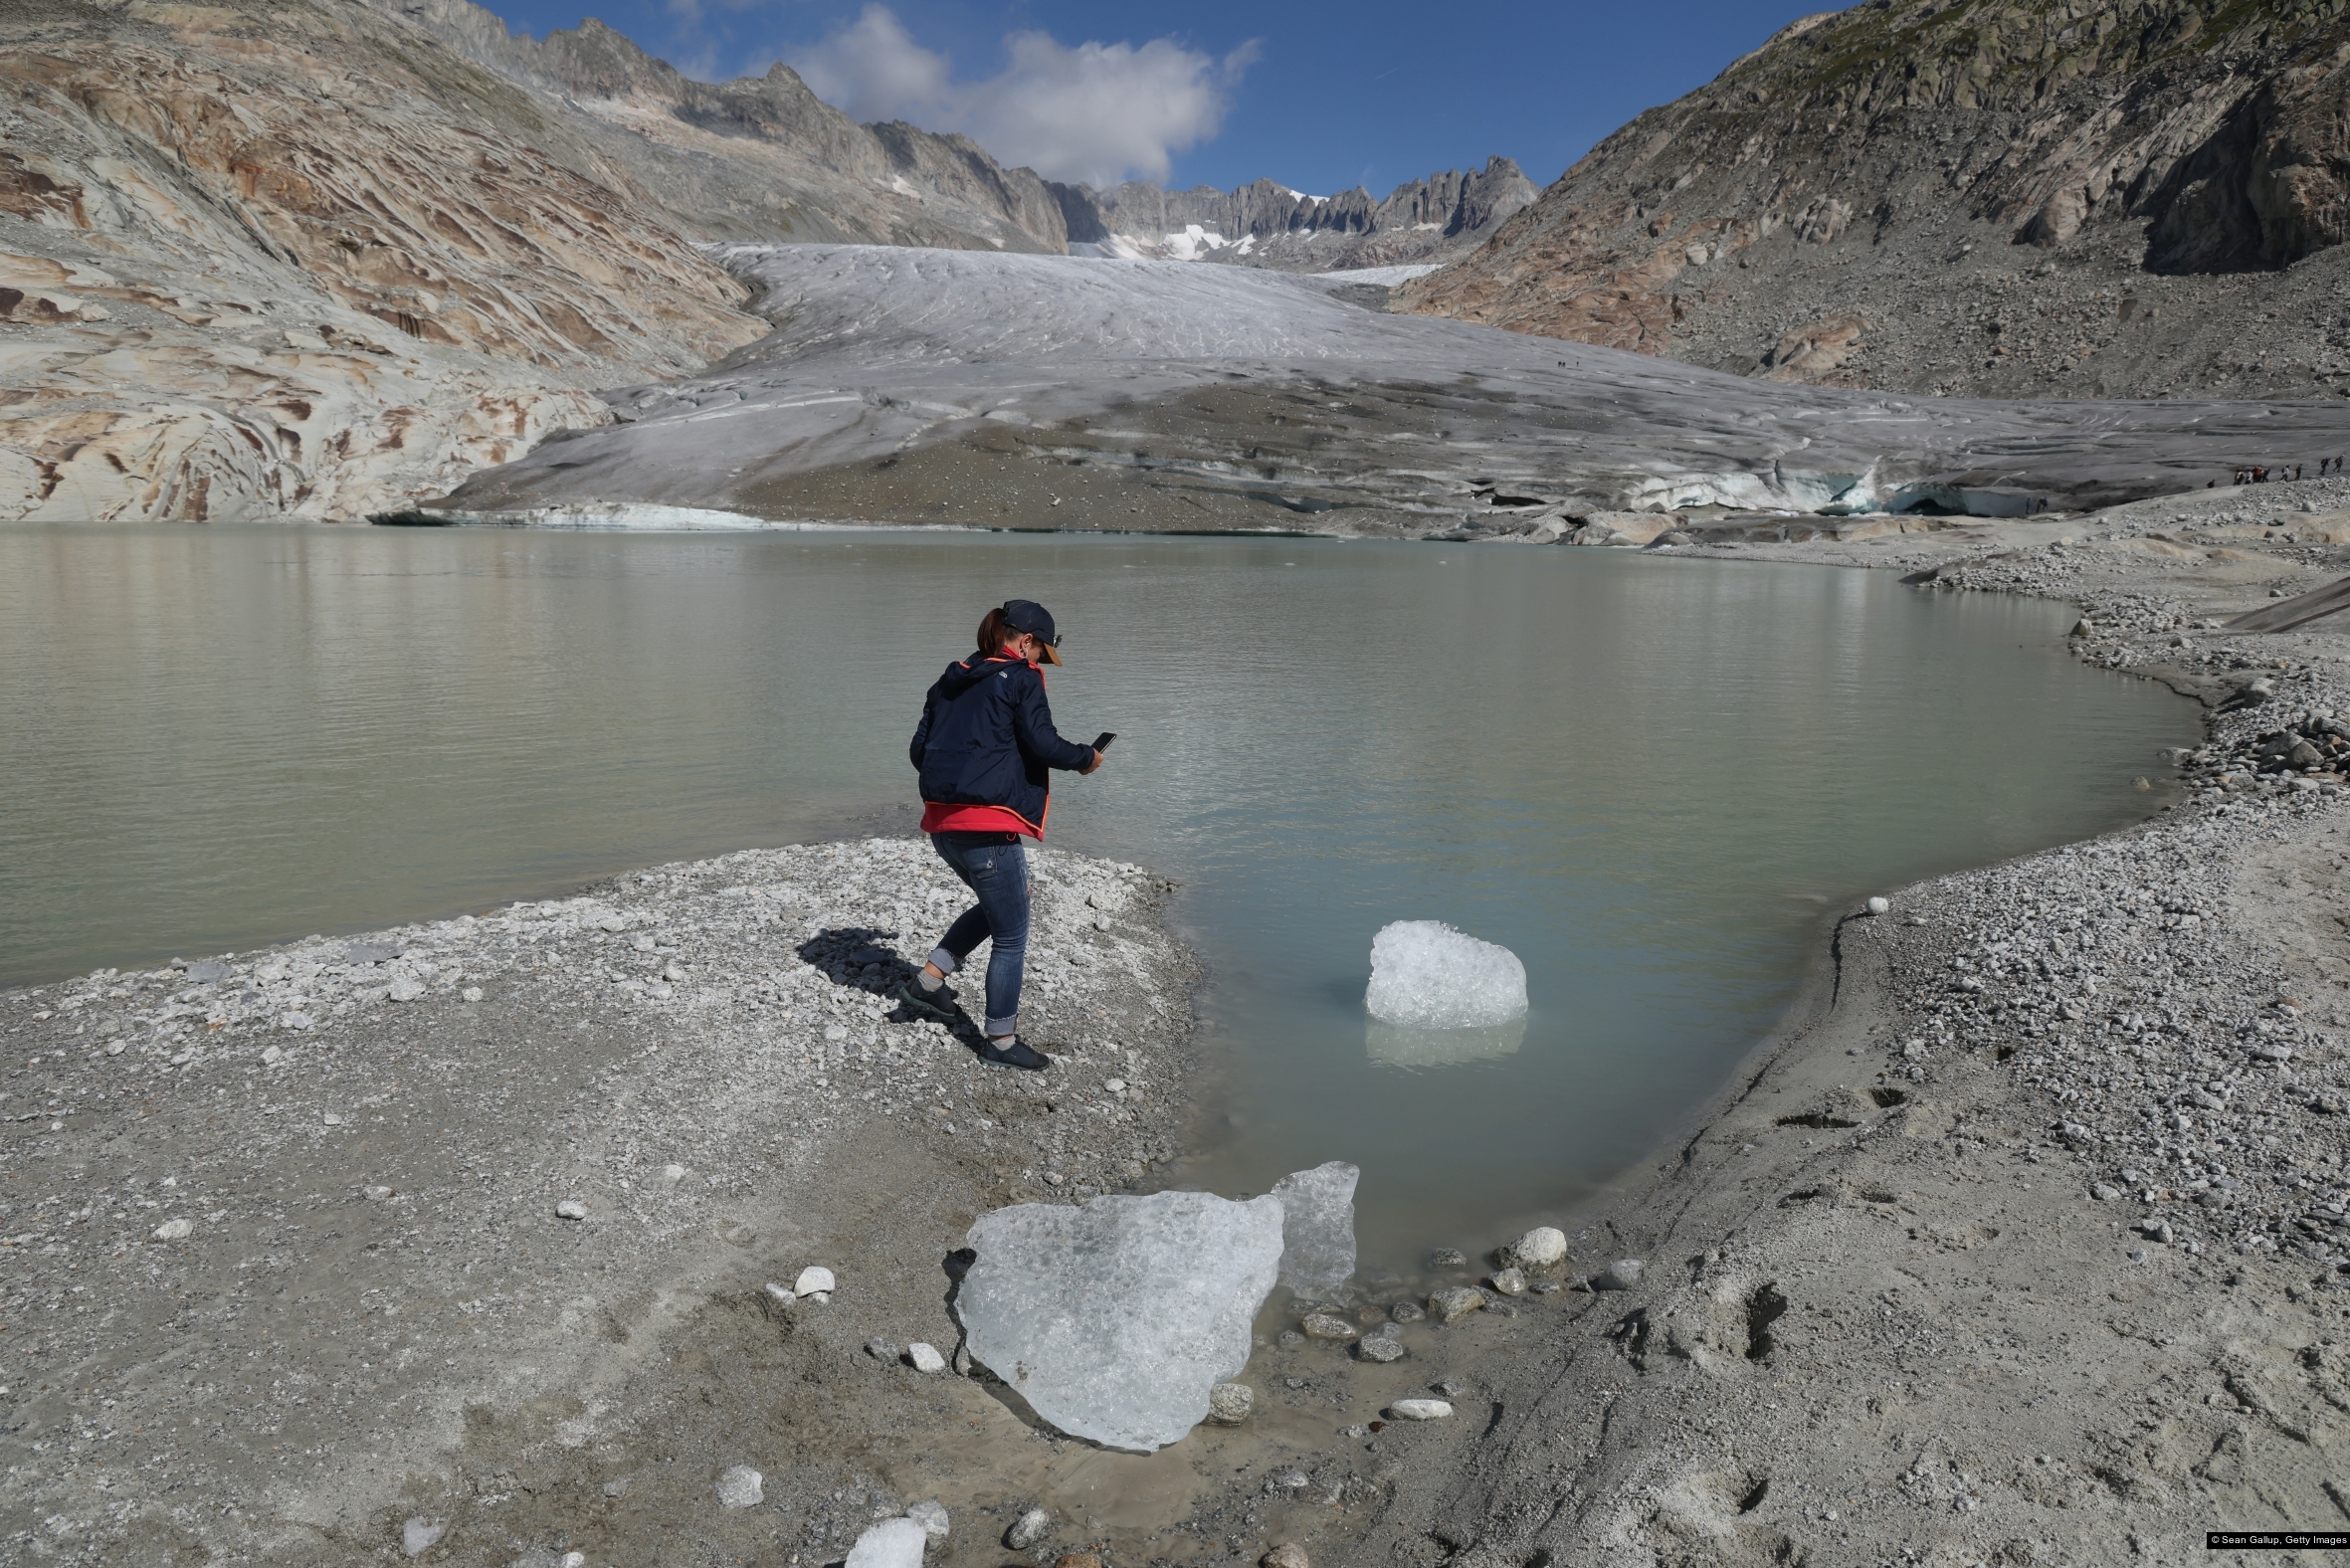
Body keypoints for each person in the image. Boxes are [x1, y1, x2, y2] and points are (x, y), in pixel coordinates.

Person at [897, 600, 1105, 1071]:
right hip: (988, 830)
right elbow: (1043, 744)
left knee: (1003, 906)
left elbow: (919, 752)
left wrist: (967, 774)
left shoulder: (950, 679)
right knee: (1012, 934)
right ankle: (1001, 1041)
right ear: (1026, 641)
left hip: (942, 827)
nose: (1040, 661)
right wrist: (1085, 758)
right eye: (1041, 652)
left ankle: (928, 982)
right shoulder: (1022, 678)